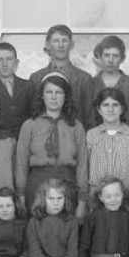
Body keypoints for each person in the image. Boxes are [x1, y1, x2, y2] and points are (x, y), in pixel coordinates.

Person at [15, 72, 88, 221]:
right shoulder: (30, 125)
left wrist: (82, 200)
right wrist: (21, 195)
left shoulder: (76, 126)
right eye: (49, 92)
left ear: (66, 96)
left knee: (64, 229)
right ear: (42, 95)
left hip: (67, 181)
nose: (53, 97)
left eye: (59, 92)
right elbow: (21, 163)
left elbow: (82, 164)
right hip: (37, 182)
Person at [29, 24, 94, 129]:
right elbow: (33, 114)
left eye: (64, 40)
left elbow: (90, 117)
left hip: (74, 138)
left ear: (72, 45)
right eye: (56, 41)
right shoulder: (36, 78)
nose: (60, 45)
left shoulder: (84, 79)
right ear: (48, 45)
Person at [85, 88, 129, 193]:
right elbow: (85, 167)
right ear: (99, 109)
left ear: (122, 109)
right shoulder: (91, 135)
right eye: (105, 105)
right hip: (97, 195)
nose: (110, 109)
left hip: (125, 196)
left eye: (115, 105)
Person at [89, 35, 129, 129]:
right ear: (100, 57)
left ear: (123, 58)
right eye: (106, 55)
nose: (110, 60)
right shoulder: (90, 84)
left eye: (115, 56)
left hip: (125, 140)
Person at [0, 42, 35, 137]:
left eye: (9, 59)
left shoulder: (28, 86)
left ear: (16, 62)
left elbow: (34, 115)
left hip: (23, 139)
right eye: (0, 60)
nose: (5, 64)